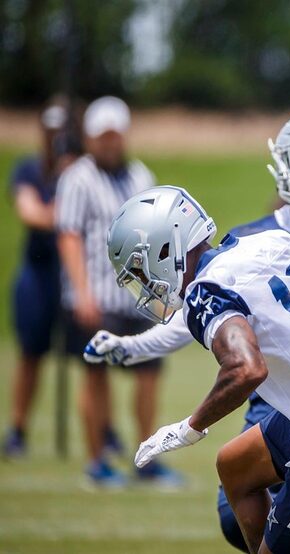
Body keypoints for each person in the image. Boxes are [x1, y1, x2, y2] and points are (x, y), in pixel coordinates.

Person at [85, 110, 290, 552]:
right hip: (278, 404)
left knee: (287, 517)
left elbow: (237, 352)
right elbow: (201, 322)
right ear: (283, 162)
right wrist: (132, 347)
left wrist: (191, 426)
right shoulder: (262, 238)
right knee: (235, 501)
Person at [55, 96, 179, 487]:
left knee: (149, 375)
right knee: (96, 375)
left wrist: (164, 293)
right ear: (90, 139)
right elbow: (69, 236)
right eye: (102, 136)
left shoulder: (141, 176)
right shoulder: (77, 178)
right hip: (96, 294)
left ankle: (147, 458)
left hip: (138, 297)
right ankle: (98, 460)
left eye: (115, 136)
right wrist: (81, 292)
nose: (110, 143)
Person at [3, 100, 81, 457]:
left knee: (88, 356)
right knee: (31, 353)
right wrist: (68, 205)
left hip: (76, 271)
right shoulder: (29, 171)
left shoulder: (82, 171)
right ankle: (18, 428)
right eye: (51, 132)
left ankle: (103, 429)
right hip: (39, 273)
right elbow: (31, 212)